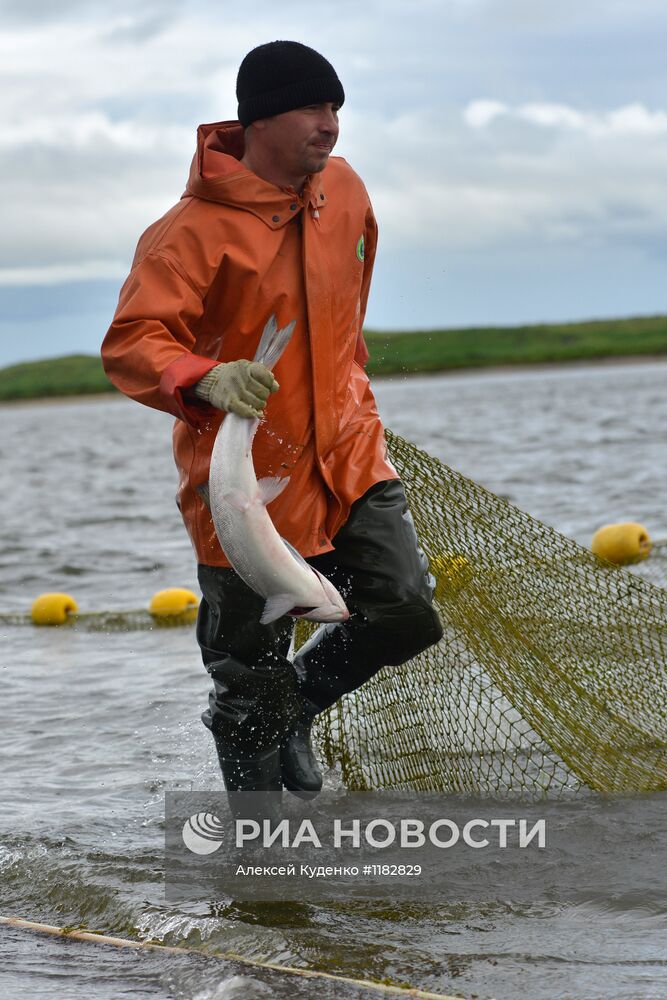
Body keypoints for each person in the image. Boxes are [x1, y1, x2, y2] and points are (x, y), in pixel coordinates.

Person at [101, 41, 443, 798]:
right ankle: (259, 875)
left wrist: (350, 399)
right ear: (259, 121)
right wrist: (205, 376)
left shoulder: (345, 189)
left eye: (338, 110)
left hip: (350, 455)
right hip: (242, 488)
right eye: (314, 109)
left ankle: (296, 707)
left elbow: (350, 310)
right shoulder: (186, 232)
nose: (332, 127)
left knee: (406, 613)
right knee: (246, 684)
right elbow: (131, 344)